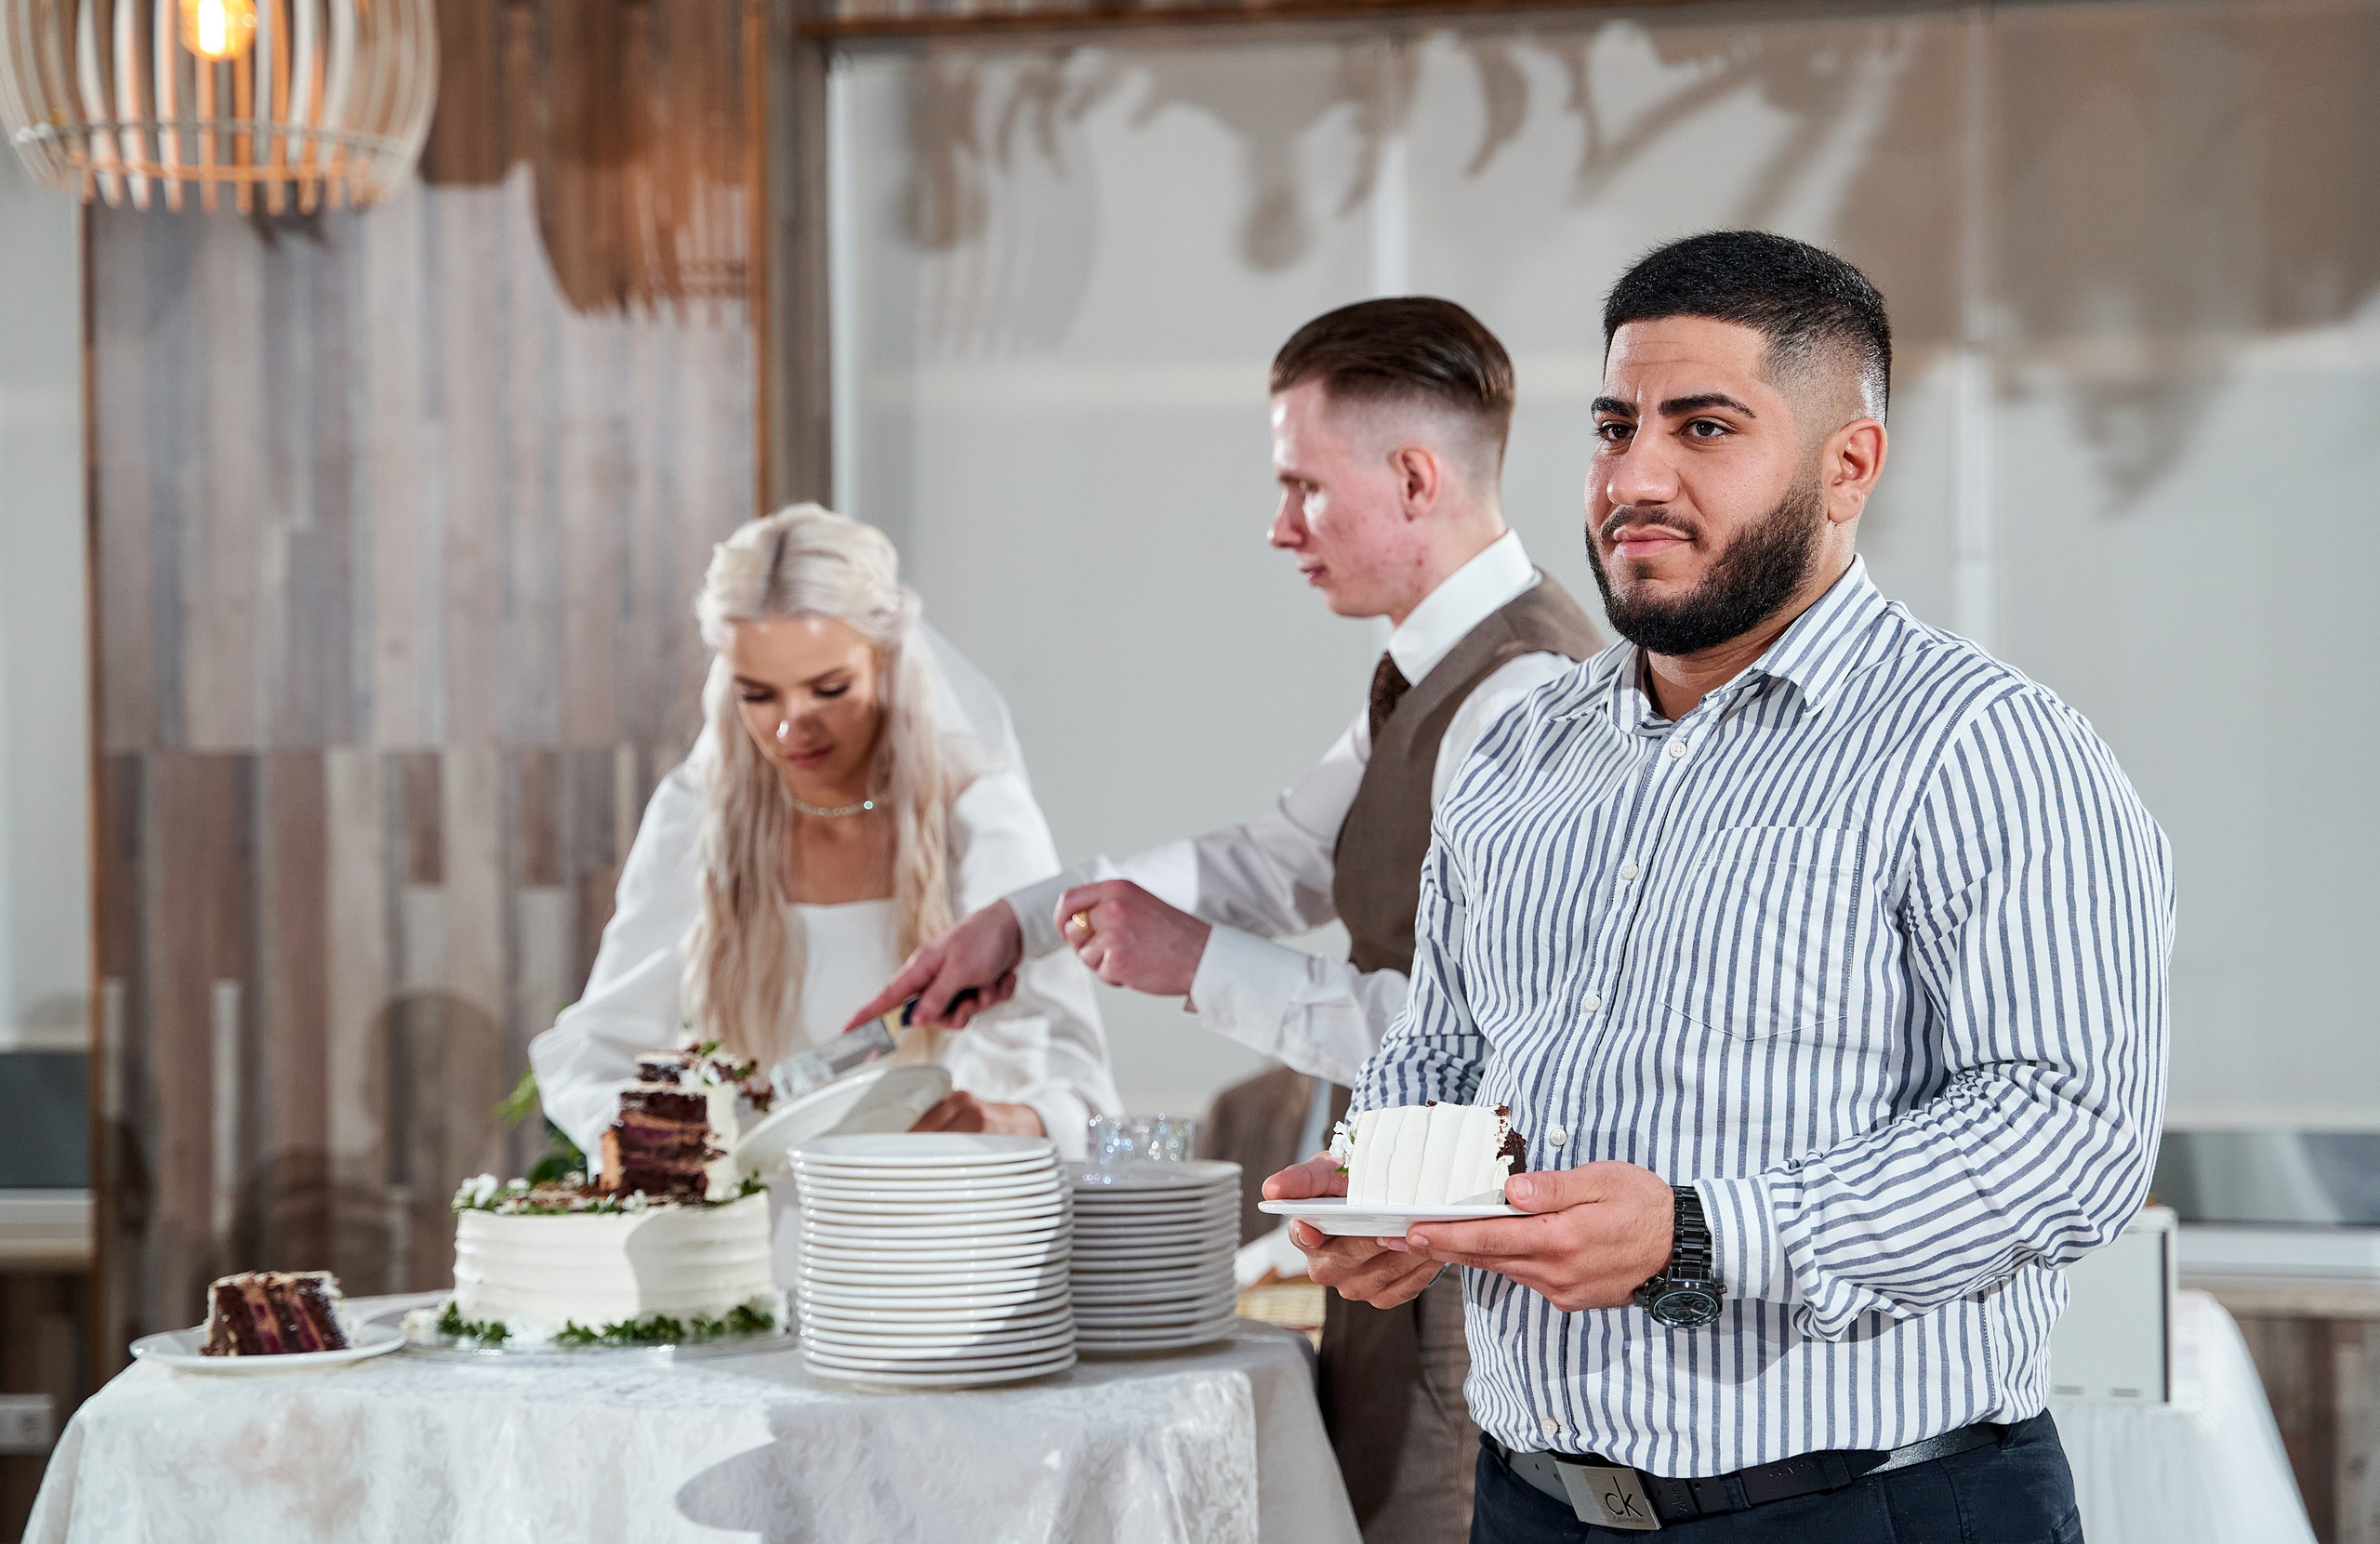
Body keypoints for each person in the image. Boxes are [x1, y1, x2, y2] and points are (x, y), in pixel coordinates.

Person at [1267, 231, 2173, 1543]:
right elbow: (1448, 1045)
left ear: (1847, 466)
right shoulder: (1519, 752)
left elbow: (2068, 1131)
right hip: (1530, 1503)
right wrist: (1388, 1184)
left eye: (1704, 427)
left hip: (1873, 1508)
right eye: (1614, 426)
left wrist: (1700, 1233)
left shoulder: (1985, 748)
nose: (1634, 476)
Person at [857, 297, 1604, 1543]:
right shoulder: (1433, 667)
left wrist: (1199, 965)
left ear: (1415, 479)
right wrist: (1023, 921)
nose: (1280, 526)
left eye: (1304, 486)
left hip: (1468, 1275)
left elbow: (1490, 1045)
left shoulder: (1520, 695)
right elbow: (1278, 858)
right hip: (1395, 1232)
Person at [530, 505, 1120, 1168]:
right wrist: (639, 1140)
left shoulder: (978, 815)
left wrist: (997, 1122)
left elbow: (1080, 1095)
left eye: (829, 689)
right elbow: (595, 1048)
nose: (791, 729)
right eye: (758, 696)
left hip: (934, 1207)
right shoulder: (695, 814)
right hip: (751, 1215)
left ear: (888, 663)